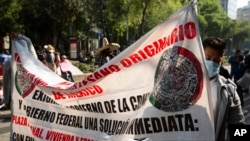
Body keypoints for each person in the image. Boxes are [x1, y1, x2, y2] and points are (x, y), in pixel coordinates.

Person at [203, 37, 245, 141]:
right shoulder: (181, 85)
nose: (211, 62)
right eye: (207, 58)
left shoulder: (229, 90)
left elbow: (238, 125)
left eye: (216, 60)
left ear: (221, 60)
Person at [0, 32, 38, 110]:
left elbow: (6, 83)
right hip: (33, 97)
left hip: (16, 98)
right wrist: (19, 36)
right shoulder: (33, 59)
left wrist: (6, 100)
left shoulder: (9, 63)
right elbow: (29, 42)